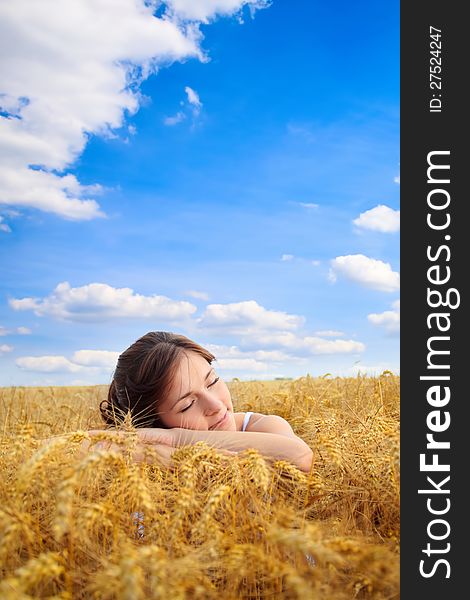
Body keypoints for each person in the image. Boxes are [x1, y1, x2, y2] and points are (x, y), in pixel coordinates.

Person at [89, 331, 313, 473]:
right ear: (154, 422)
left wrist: (178, 438)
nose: (215, 405)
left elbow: (300, 456)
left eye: (212, 381)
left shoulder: (261, 425)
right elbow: (61, 448)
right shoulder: (150, 457)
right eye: (187, 404)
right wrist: (159, 455)